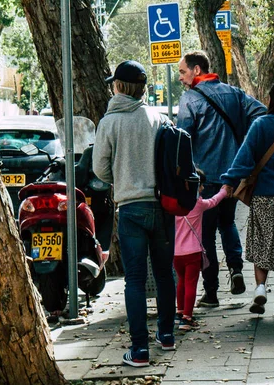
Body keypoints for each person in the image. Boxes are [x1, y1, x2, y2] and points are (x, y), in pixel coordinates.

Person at [93, 60, 176, 367]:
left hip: (130, 208)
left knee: (135, 280)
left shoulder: (109, 123)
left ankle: (139, 350)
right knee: (165, 274)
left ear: (119, 87)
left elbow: (100, 170)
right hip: (162, 207)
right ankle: (166, 335)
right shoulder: (158, 117)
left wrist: (122, 177)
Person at [177, 51, 266, 307]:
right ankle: (236, 270)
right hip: (235, 176)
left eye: (183, 72)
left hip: (204, 179)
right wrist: (245, 145)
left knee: (205, 235)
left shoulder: (190, 99)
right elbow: (260, 113)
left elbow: (183, 138)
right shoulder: (234, 93)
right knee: (227, 224)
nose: (181, 78)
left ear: (196, 70)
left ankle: (212, 291)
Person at [221, 83, 274, 316]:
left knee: (262, 244)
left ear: (272, 100)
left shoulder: (259, 125)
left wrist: (230, 180)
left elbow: (244, 159)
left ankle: (260, 287)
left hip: (262, 199)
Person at [174, 169, 229, 330]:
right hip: (193, 252)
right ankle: (187, 318)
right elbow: (214, 201)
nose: (203, 189)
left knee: (181, 282)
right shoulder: (197, 204)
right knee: (191, 284)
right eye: (200, 186)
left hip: (176, 253)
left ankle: (179, 312)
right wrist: (224, 190)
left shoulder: (175, 205)